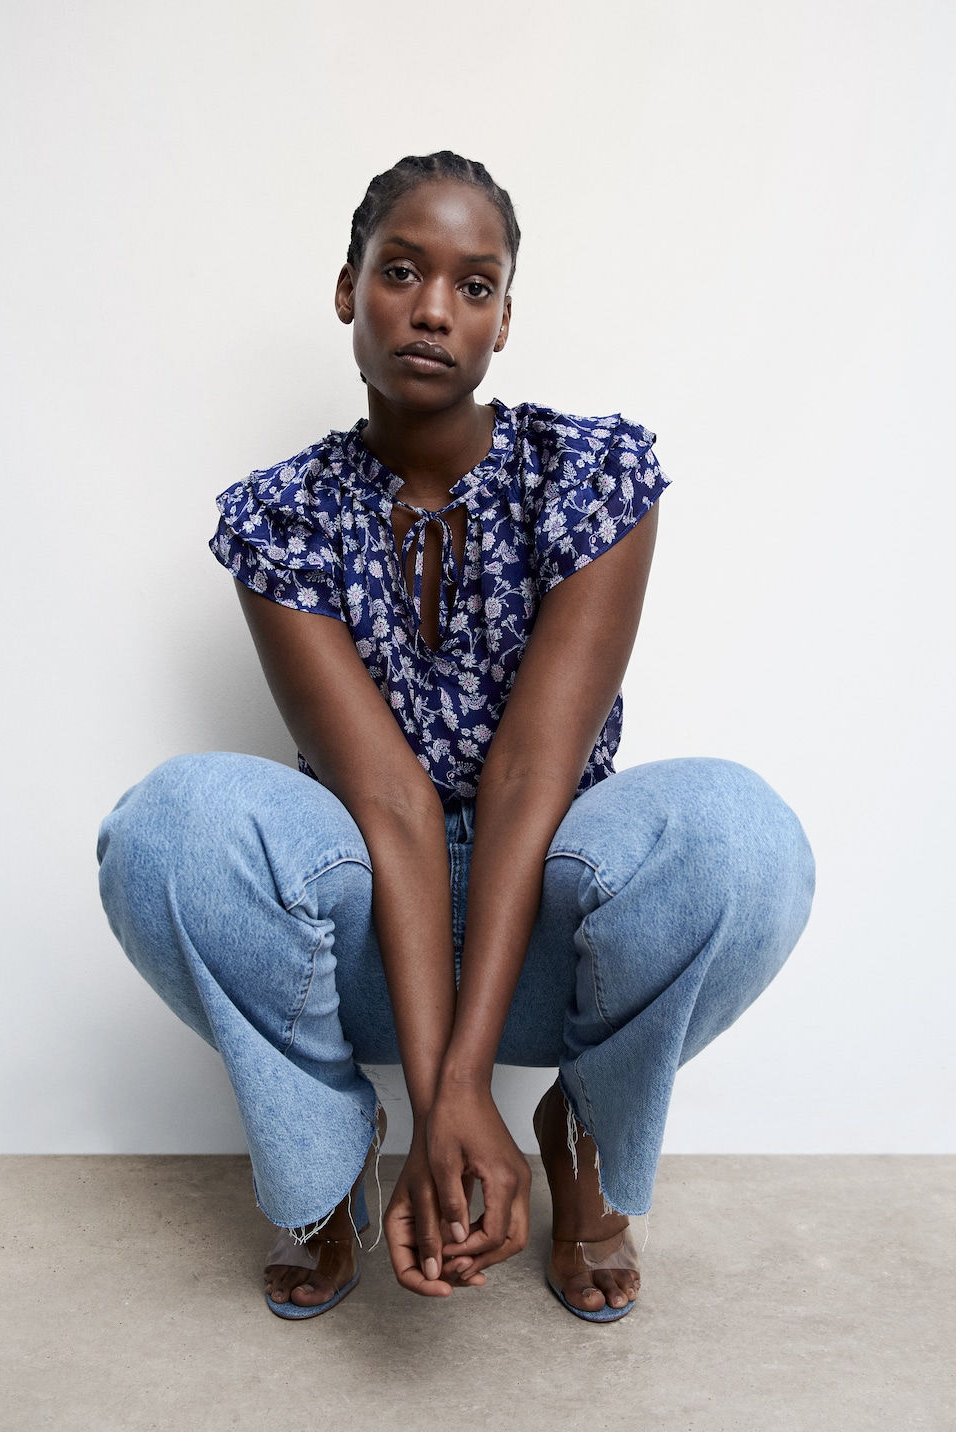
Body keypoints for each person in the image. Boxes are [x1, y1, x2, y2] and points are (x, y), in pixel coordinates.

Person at [97, 151, 815, 1324]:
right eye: (402, 272)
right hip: (366, 942)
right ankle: (329, 1163)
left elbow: (533, 773)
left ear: (503, 321)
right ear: (347, 290)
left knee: (743, 837)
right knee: (166, 824)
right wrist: (437, 1104)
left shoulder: (588, 477)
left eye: (474, 286)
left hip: (548, 938)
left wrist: (472, 1080)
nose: (435, 308)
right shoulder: (284, 516)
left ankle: (580, 1147)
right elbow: (386, 798)